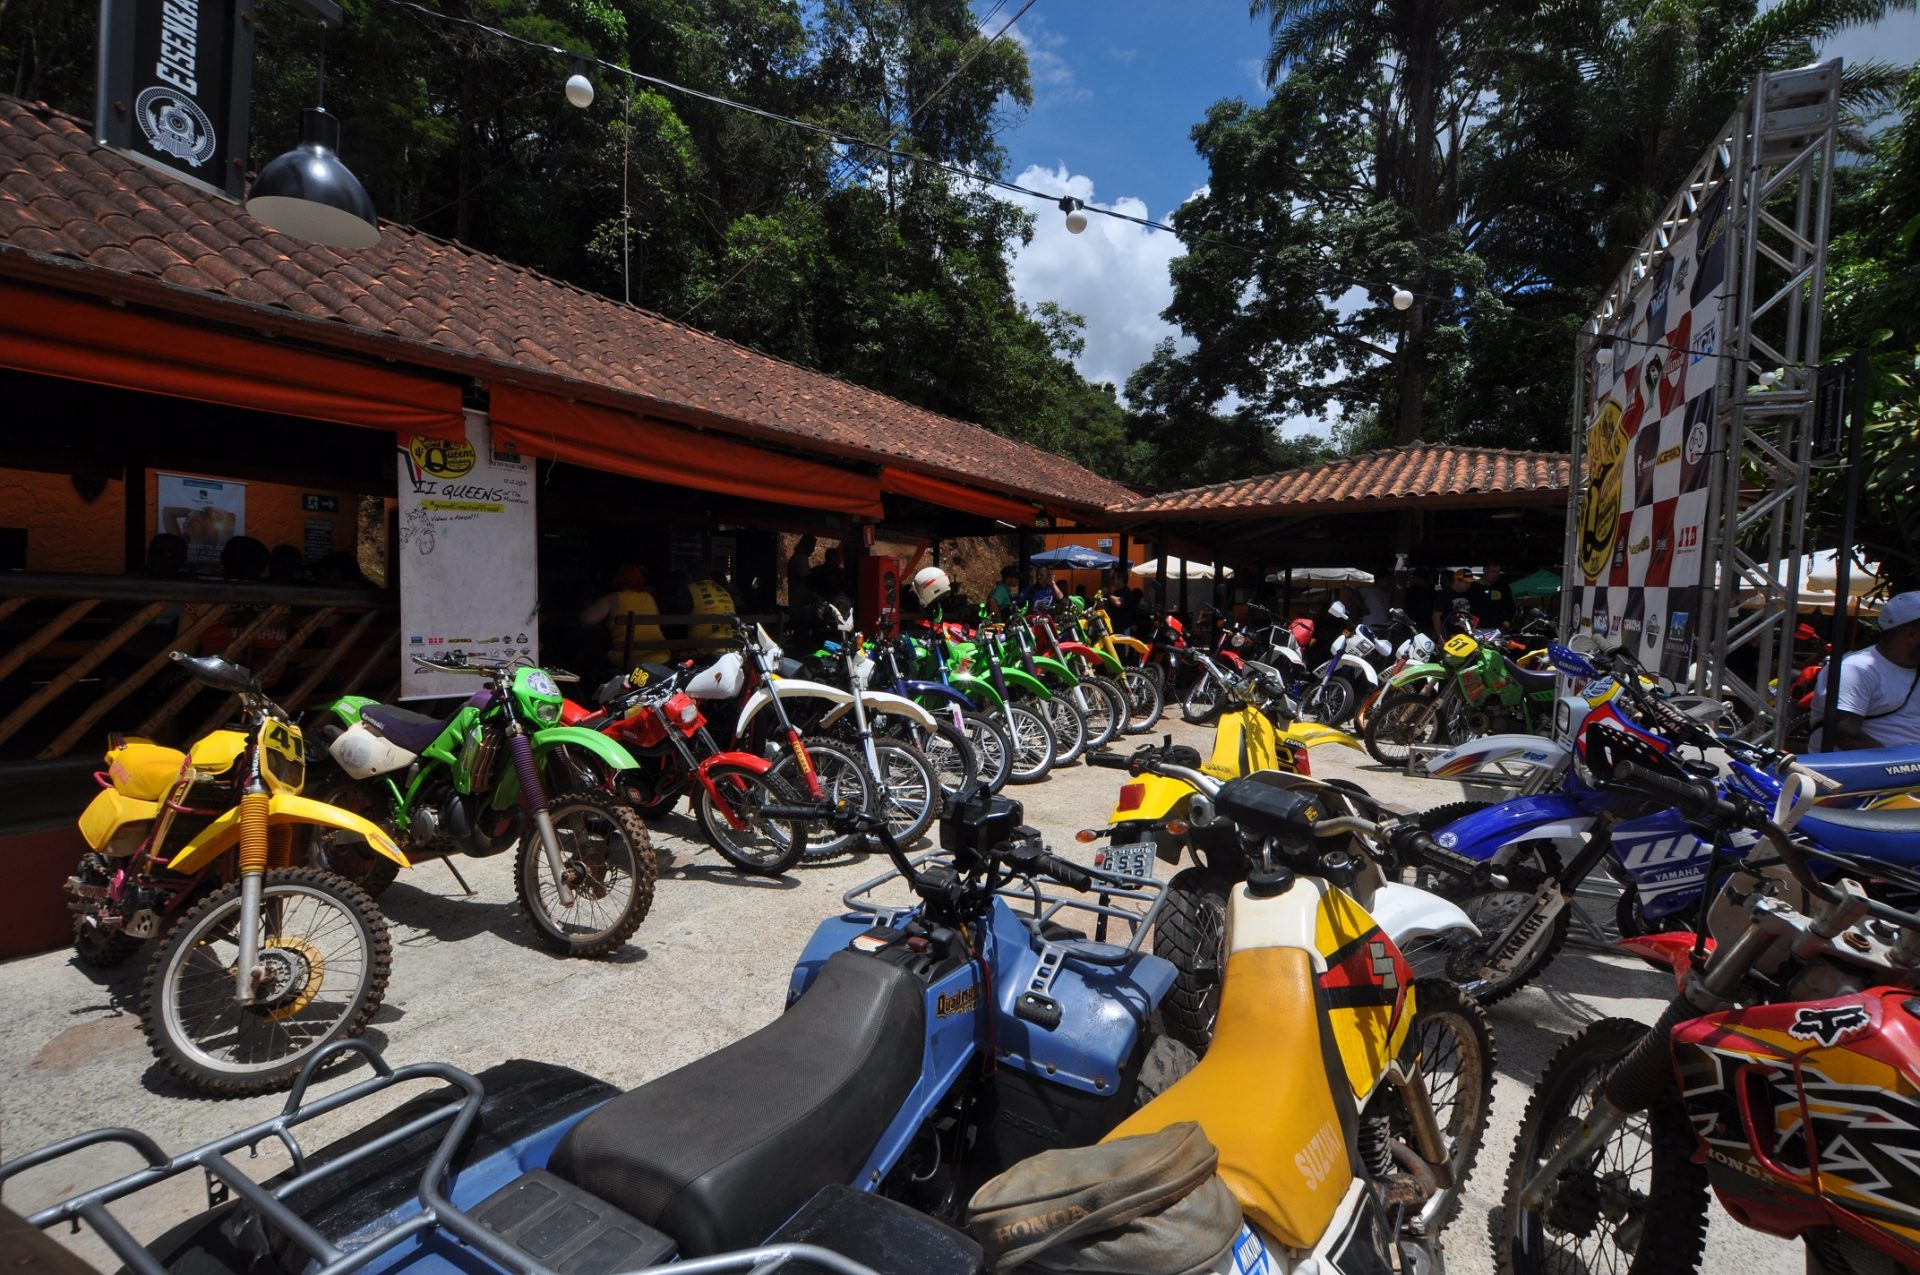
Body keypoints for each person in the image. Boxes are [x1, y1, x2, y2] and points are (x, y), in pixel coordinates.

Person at [1813, 591, 1920, 750]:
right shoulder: (1856, 669)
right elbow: (1844, 734)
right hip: (1865, 771)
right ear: (1911, 635)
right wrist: (1901, 765)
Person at [579, 565, 669, 671]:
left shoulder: (613, 598)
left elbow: (586, 619)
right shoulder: (649, 597)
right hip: (661, 658)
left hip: (628, 661)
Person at [1472, 561, 1516, 633]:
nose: (1495, 574)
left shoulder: (1502, 587)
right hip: (1476, 629)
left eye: (1497, 572)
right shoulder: (1473, 587)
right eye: (1492, 571)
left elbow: (1512, 608)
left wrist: (1507, 622)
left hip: (1497, 629)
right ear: (1484, 570)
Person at [1435, 569, 1477, 637]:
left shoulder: (1469, 594)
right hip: (1450, 636)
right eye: (1466, 583)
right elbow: (1436, 617)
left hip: (1468, 635)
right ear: (1457, 580)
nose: (1469, 586)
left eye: (1470, 583)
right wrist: (1440, 636)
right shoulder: (1445, 595)